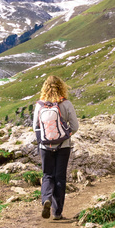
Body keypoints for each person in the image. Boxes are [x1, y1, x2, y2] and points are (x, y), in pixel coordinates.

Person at [32, 75, 79, 220]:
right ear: (62, 87)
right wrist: (66, 135)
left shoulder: (40, 105)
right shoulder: (66, 104)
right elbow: (75, 126)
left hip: (46, 146)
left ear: (45, 88)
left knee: (47, 175)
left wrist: (43, 142)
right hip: (63, 146)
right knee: (60, 177)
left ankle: (46, 198)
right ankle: (57, 212)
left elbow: (35, 127)